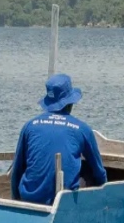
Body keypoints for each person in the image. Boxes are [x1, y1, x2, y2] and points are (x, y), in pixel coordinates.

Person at [10, 73, 108, 205]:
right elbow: (100, 173)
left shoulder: (29, 126)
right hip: (63, 200)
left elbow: (17, 169)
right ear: (70, 102)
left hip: (29, 197)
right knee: (88, 170)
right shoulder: (82, 129)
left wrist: (16, 199)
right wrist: (105, 196)